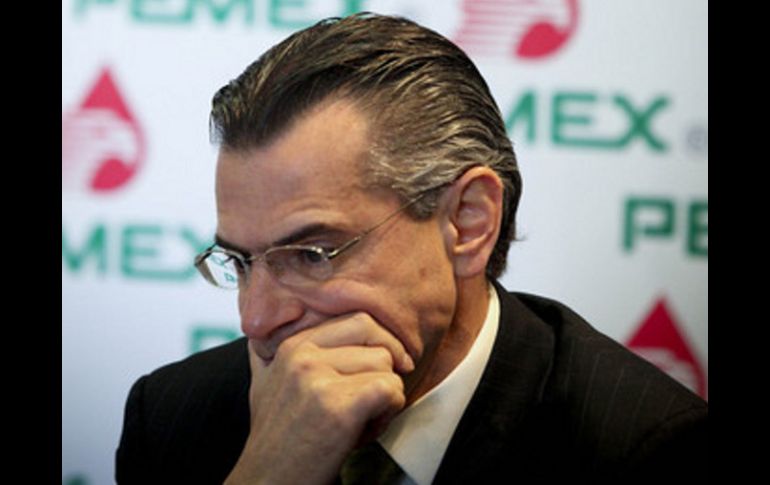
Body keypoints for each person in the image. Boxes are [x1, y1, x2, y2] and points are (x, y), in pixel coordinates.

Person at [115, 12, 707, 485]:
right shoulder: (171, 416)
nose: (256, 320)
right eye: (241, 263)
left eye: (313, 255)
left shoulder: (641, 449)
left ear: (468, 224)